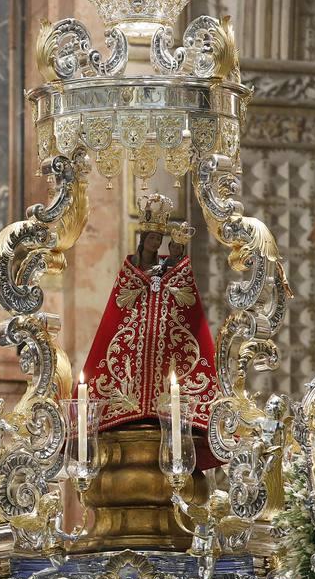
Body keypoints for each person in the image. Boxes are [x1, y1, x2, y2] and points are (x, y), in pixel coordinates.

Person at [78, 193, 222, 470]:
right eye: (152, 238)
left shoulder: (168, 268)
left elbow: (185, 299)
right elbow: (120, 307)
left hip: (166, 341)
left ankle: (161, 406)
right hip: (135, 352)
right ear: (143, 239)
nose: (156, 243)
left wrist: (175, 264)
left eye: (160, 239)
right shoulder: (131, 270)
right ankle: (129, 409)